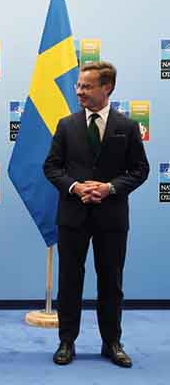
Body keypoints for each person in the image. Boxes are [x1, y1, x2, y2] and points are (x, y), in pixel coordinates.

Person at [44, 61, 149, 368]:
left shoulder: (127, 127)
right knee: (69, 280)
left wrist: (110, 188)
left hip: (111, 218)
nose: (79, 91)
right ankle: (66, 341)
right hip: (72, 216)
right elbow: (51, 167)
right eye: (78, 85)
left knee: (111, 282)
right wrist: (75, 187)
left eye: (86, 86)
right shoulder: (66, 125)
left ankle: (112, 342)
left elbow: (140, 170)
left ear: (107, 88)